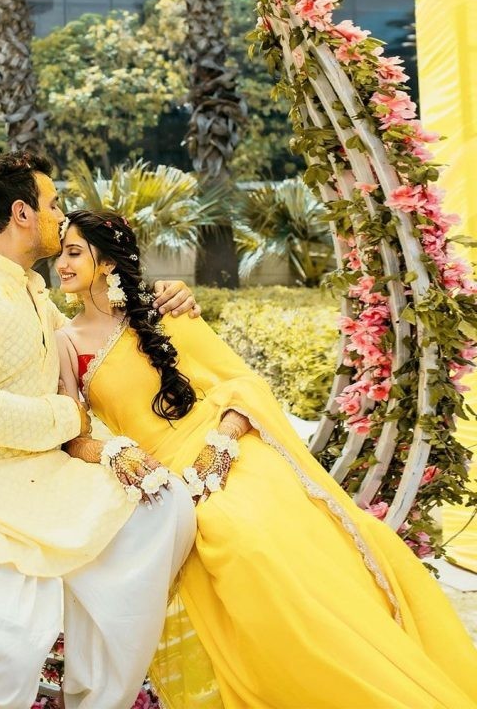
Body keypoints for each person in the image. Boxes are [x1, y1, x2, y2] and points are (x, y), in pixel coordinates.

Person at [56, 209, 477, 709]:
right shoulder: (67, 342)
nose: (61, 263)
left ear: (106, 261)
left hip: (232, 450)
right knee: (236, 546)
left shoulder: (163, 307)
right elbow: (71, 435)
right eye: (62, 252)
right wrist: (114, 453)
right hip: (171, 481)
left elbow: (239, 382)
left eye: (73, 251)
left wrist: (223, 444)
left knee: (282, 541)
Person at [0, 153, 199, 709]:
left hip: (35, 476)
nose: (61, 217)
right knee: (8, 633)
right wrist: (70, 420)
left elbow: (100, 341)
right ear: (22, 213)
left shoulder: (32, 291)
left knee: (162, 505)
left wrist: (164, 301)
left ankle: (97, 698)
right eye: (53, 205)